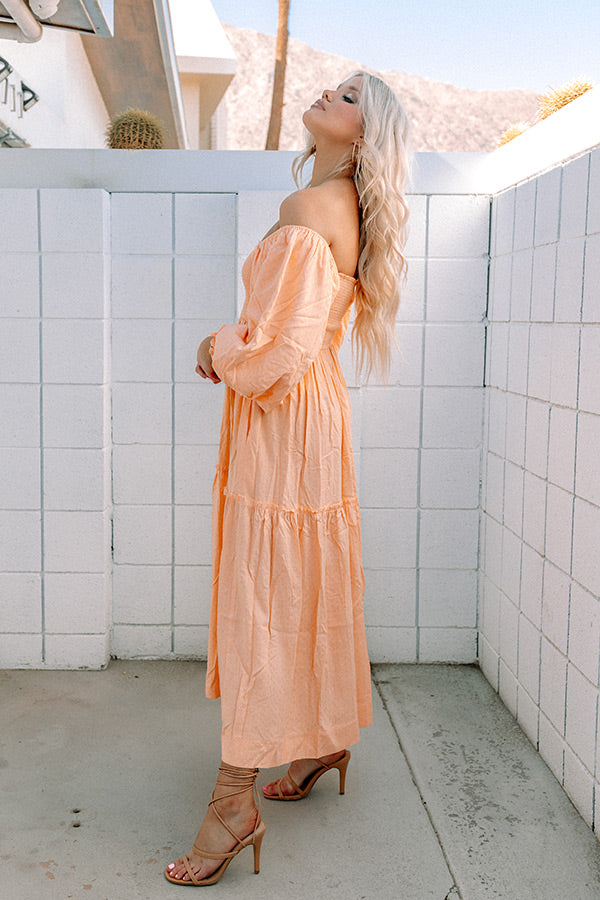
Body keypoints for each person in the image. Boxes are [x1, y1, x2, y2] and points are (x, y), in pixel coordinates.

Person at [165, 70, 410, 886]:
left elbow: (279, 351)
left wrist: (216, 347)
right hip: (313, 418)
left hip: (285, 419)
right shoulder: (347, 208)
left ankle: (232, 802)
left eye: (349, 96)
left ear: (365, 132)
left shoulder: (311, 207)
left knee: (263, 596)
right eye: (334, 86)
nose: (329, 94)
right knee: (303, 583)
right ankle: (322, 739)